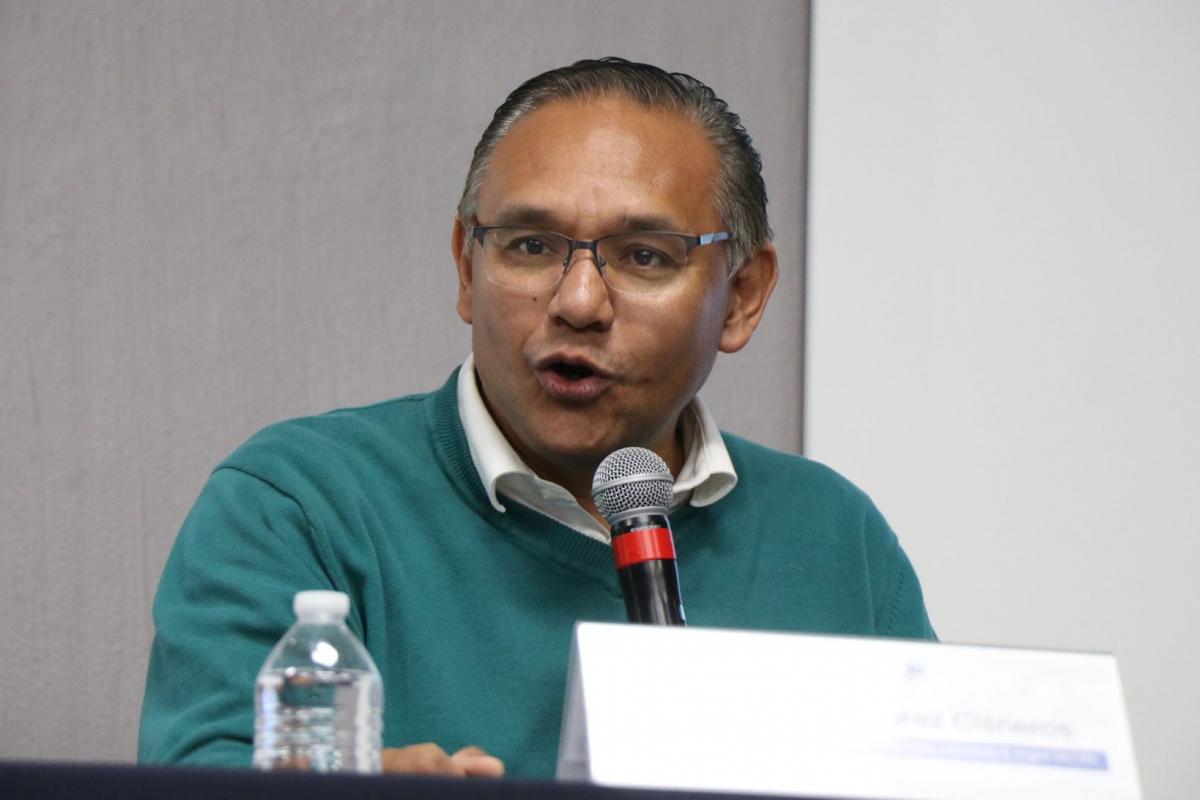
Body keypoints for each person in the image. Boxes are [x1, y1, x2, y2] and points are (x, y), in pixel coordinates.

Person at [138, 57, 935, 779]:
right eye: (529, 246)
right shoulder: (299, 505)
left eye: (644, 255)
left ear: (743, 296)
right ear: (466, 266)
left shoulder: (833, 536)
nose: (578, 302)